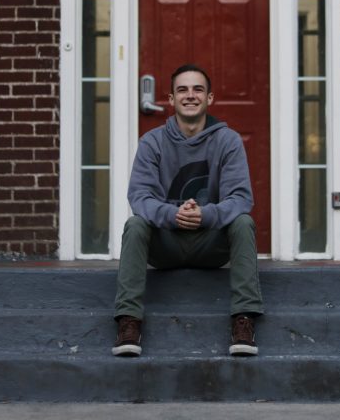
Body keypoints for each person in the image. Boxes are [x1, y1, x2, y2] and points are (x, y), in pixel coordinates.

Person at [112, 63, 264, 357]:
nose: (190, 95)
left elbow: (241, 198)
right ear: (170, 99)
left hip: (211, 244)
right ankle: (128, 321)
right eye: (182, 89)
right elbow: (140, 196)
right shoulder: (152, 142)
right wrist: (173, 215)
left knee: (243, 222)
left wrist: (205, 215)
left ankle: (243, 319)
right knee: (135, 225)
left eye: (198, 89)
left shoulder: (227, 140)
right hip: (165, 244)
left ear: (210, 98)